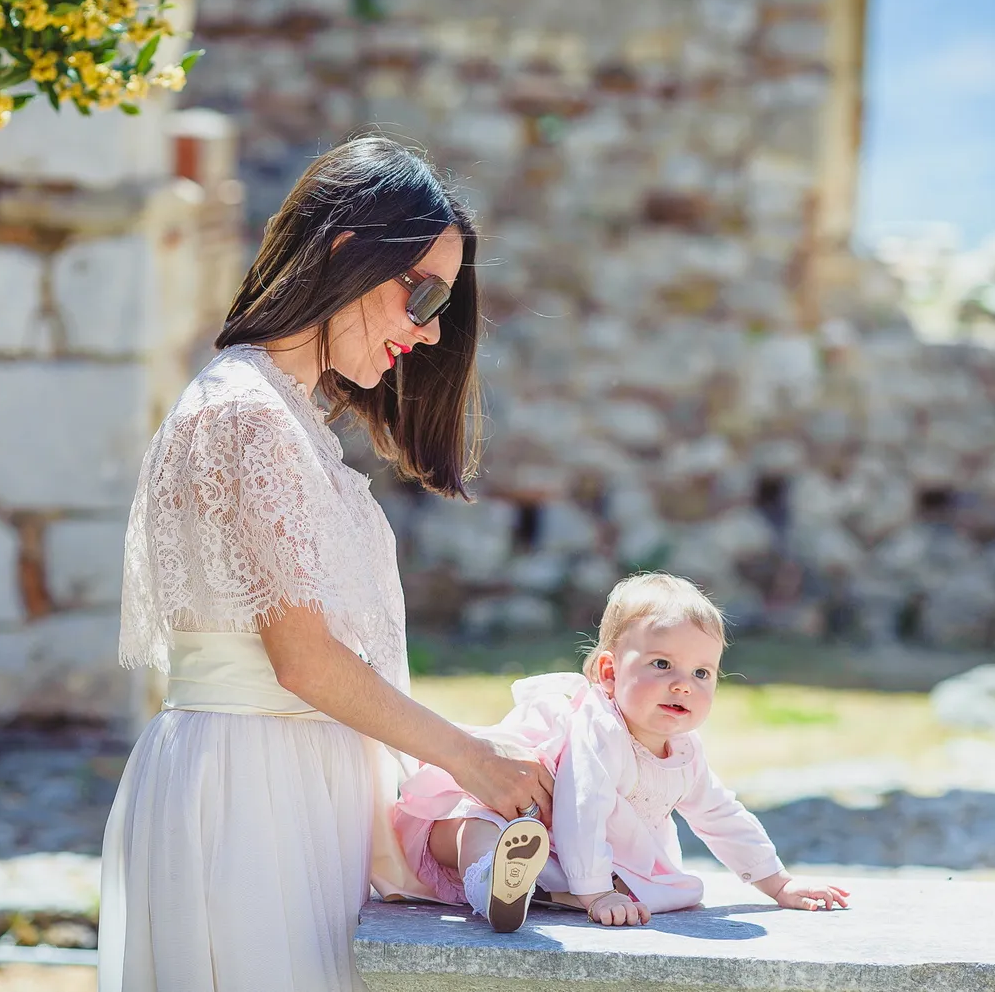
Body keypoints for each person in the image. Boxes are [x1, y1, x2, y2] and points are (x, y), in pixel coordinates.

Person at [97, 135, 555, 992]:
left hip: (287, 783)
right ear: (347, 251)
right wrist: (468, 758)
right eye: (423, 293)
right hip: (251, 794)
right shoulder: (245, 414)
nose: (428, 330)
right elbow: (304, 660)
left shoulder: (283, 415)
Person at [393, 572, 851, 931]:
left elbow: (719, 814)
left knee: (613, 877)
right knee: (479, 828)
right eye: (662, 664)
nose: (683, 684)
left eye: (702, 673)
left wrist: (778, 882)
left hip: (565, 853)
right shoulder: (601, 729)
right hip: (516, 812)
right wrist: (597, 893)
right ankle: (491, 883)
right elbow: (582, 807)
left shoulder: (684, 751)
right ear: (610, 672)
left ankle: (531, 884)